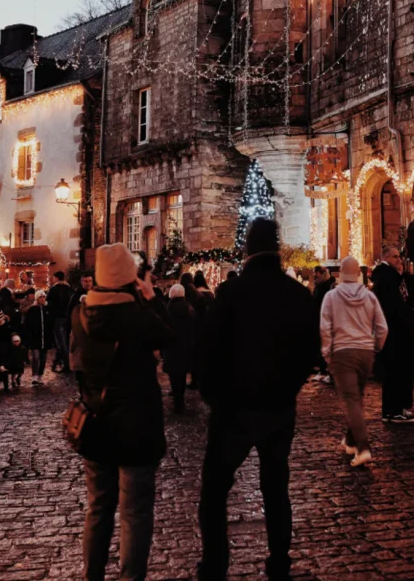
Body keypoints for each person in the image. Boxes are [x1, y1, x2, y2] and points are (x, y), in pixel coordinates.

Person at [198, 218, 319, 581]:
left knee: (215, 491)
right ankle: (279, 561)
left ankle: (215, 565)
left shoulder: (230, 294)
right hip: (278, 407)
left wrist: (215, 397)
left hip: (232, 410)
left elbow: (209, 350)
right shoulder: (296, 294)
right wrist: (289, 388)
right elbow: (310, 352)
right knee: (276, 487)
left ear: (247, 248)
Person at [72, 242, 176, 581]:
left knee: (98, 508)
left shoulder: (81, 314)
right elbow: (168, 335)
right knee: (134, 513)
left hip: (97, 425)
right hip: (137, 427)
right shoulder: (138, 317)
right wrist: (150, 298)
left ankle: (92, 575)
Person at [320, 255, 388, 467]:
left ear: (340, 274)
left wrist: (327, 353)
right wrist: (376, 346)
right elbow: (382, 327)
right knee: (356, 397)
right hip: (365, 352)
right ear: (358, 273)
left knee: (351, 400)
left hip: (343, 352)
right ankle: (350, 440)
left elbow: (325, 328)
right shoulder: (369, 297)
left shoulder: (331, 297)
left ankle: (363, 446)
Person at [372, 245, 414, 423]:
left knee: (399, 370)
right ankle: (394, 411)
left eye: (399, 256)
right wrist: (410, 317)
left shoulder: (395, 277)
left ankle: (399, 408)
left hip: (400, 332)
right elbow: (394, 307)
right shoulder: (387, 278)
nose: (399, 260)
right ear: (385, 258)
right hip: (395, 333)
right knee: (395, 371)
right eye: (394, 257)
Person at [162, 282, 196, 413]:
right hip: (185, 346)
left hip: (171, 347)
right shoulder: (190, 309)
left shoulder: (167, 309)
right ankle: (180, 399)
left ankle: (177, 401)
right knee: (182, 374)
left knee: (173, 375)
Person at [24, 290, 53, 385]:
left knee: (43, 358)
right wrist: (29, 336)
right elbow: (27, 324)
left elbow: (50, 324)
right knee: (36, 357)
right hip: (35, 338)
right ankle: (34, 376)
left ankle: (40, 375)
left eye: (44, 297)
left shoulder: (48, 309)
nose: (43, 299)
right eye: (40, 297)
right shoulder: (32, 310)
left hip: (45, 338)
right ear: (37, 299)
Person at [312, 265, 335, 382]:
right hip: (319, 315)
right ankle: (323, 368)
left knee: (323, 341)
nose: (314, 275)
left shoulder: (325, 285)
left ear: (319, 273)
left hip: (322, 315)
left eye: (315, 273)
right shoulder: (321, 283)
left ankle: (324, 369)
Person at [47, 270, 73, 373]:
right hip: (68, 318)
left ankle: (67, 365)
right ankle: (57, 362)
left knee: (61, 343)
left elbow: (49, 303)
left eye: (53, 278)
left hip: (58, 318)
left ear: (56, 278)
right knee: (65, 341)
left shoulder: (54, 289)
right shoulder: (70, 288)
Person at [0, 309, 12, 392]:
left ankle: (4, 382)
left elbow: (9, 337)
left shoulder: (7, 326)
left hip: (4, 348)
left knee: (3, 364)